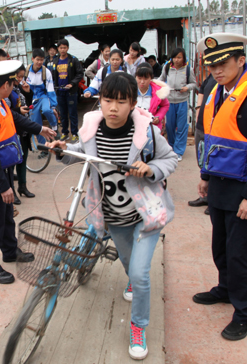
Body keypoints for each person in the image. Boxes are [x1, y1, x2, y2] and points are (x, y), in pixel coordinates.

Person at [47, 72, 178, 360]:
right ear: (100, 101)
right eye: (108, 100)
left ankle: (138, 326)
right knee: (130, 265)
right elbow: (81, 153)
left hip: (146, 215)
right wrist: (62, 149)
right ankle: (131, 279)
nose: (113, 108)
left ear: (133, 103)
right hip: (113, 216)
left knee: (141, 275)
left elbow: (170, 159)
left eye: (121, 102)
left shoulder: (147, 133)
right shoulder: (91, 131)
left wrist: (150, 169)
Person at [194, 32, 247, 341]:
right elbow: (214, 139)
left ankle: (245, 314)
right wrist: (205, 176)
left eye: (223, 64)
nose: (216, 71)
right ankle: (225, 288)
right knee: (221, 246)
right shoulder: (216, 91)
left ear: (241, 60)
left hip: (245, 191)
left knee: (242, 253)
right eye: (212, 66)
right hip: (220, 186)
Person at [0, 60, 55, 284]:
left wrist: (39, 128)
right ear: (5, 85)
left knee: (6, 217)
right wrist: (3, 186)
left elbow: (13, 118)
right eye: (12, 84)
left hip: (1, 171)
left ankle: (9, 251)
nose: (14, 88)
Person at [9, 65, 51, 204]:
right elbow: (4, 110)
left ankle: (22, 187)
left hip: (23, 129)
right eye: (18, 77)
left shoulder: (18, 87)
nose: (21, 80)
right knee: (11, 163)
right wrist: (17, 110)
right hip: (12, 130)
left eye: (22, 77)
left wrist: (28, 93)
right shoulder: (6, 89)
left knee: (23, 158)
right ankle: (12, 191)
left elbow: (26, 105)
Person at [159, 47, 197, 162]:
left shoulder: (188, 69)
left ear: (183, 58)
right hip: (169, 101)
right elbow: (161, 80)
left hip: (182, 101)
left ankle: (179, 151)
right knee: (169, 126)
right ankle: (171, 148)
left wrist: (187, 88)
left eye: (179, 57)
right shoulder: (167, 68)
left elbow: (194, 83)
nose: (176, 60)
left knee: (181, 127)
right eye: (174, 57)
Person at [188, 74, 217, 214]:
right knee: (202, 160)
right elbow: (202, 91)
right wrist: (199, 110)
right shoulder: (211, 77)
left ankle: (213, 200)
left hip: (214, 128)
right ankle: (205, 196)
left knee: (213, 162)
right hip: (202, 124)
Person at [51, 38, 84, 142]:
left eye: (64, 48)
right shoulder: (55, 61)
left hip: (71, 92)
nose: (63, 50)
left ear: (68, 48)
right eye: (61, 48)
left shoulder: (73, 60)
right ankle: (65, 132)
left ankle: (75, 134)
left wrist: (72, 84)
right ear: (58, 49)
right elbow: (52, 75)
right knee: (63, 114)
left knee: (73, 113)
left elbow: (80, 73)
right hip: (60, 92)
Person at [25, 48, 59, 144]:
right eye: (37, 59)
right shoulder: (26, 71)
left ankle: (55, 127)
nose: (39, 62)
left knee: (47, 110)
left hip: (43, 96)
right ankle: (43, 145)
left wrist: (53, 106)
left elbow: (50, 89)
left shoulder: (46, 72)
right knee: (36, 123)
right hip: (31, 98)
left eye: (42, 59)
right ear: (32, 59)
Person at [135, 62, 170, 130]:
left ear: (151, 78)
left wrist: (158, 117)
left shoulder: (158, 92)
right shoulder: (129, 90)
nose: (142, 82)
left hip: (151, 128)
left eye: (145, 79)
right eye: (139, 78)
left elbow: (165, 105)